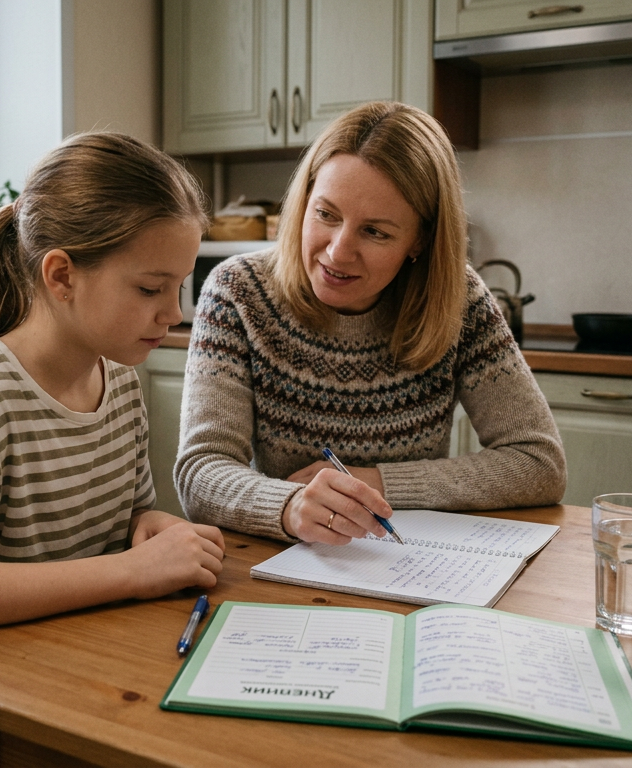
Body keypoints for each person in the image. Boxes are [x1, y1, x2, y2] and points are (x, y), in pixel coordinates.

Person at [0, 132, 225, 767]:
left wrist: (145, 528)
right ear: (62, 275)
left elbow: (123, 522)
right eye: (151, 288)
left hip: (74, 675)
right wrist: (129, 571)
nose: (173, 313)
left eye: (180, 286)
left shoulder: (118, 376)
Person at [175, 101, 566, 545]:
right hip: (289, 558)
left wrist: (376, 483)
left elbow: (539, 463)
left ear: (419, 240)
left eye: (375, 232)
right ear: (303, 202)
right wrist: (288, 507)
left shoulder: (459, 301)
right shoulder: (237, 292)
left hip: (408, 559)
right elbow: (201, 471)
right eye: (325, 214)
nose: (338, 252)